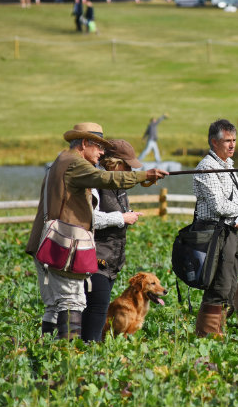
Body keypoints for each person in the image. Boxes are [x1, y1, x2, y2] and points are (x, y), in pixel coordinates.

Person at [25, 123, 168, 340]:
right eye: (99, 147)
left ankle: (48, 352)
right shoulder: (75, 163)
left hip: (47, 243)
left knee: (54, 306)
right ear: (84, 143)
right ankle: (69, 357)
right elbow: (105, 178)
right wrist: (143, 175)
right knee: (72, 302)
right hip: (61, 245)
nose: (102, 153)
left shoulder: (59, 161)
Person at [192, 119, 238, 338]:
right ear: (213, 142)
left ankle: (219, 330)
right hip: (213, 234)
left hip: (230, 233)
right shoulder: (206, 167)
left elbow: (233, 200)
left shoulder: (228, 164)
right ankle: (207, 335)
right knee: (218, 284)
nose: (232, 145)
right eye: (227, 140)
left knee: (228, 284)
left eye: (234, 140)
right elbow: (219, 206)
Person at [81, 139, 146, 342]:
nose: (129, 171)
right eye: (126, 166)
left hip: (112, 260)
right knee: (97, 309)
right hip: (95, 257)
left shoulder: (118, 186)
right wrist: (122, 218)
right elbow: (89, 218)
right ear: (114, 164)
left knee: (98, 309)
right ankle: (89, 350)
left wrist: (127, 215)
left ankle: (92, 351)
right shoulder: (96, 184)